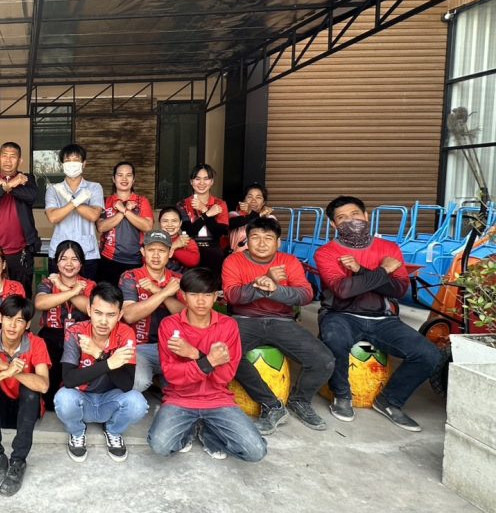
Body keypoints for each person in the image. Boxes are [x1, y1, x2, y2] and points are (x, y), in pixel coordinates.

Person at [314, 196, 442, 431]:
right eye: (342, 218)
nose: (350, 221)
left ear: (366, 216)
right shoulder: (326, 252)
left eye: (355, 214)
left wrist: (360, 271)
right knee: (334, 340)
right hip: (341, 314)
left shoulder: (389, 249)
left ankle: (390, 401)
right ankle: (342, 395)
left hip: (383, 318)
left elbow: (398, 289)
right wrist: (383, 270)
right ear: (333, 224)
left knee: (429, 354)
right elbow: (343, 290)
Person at [222, 217, 334, 433]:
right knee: (226, 354)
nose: (261, 243)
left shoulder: (289, 261)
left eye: (268, 238)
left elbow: (305, 295)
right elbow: (232, 296)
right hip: (244, 320)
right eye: (255, 237)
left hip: (282, 321)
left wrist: (275, 289)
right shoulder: (233, 261)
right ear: (247, 240)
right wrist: (263, 281)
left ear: (278, 242)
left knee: (324, 360)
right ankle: (272, 405)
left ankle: (300, 400)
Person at [146, 268, 267, 462]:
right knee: (160, 445)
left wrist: (193, 354)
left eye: (207, 295)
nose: (201, 301)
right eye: (194, 295)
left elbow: (225, 376)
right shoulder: (170, 325)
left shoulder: (228, 326)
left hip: (218, 399)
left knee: (256, 452)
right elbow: (172, 375)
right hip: (180, 399)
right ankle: (188, 431)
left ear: (216, 296)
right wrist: (210, 361)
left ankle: (208, 433)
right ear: (183, 295)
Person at [56, 283, 149, 463]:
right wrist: (109, 362)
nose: (104, 321)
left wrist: (99, 355)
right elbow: (68, 380)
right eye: (98, 313)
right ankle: (77, 432)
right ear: (89, 310)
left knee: (138, 403)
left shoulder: (126, 333)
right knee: (63, 399)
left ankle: (113, 430)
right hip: (82, 399)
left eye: (111, 315)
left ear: (120, 315)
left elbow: (127, 385)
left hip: (110, 401)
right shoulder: (75, 331)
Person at [0, 295, 50, 496]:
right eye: (8, 318)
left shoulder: (37, 343)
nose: (12, 325)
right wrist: (6, 372)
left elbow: (43, 386)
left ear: (28, 324)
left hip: (25, 412)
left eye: (19, 320)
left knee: (31, 392)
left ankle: (18, 461)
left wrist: (5, 366)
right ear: (0, 318)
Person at [119, 230, 184, 392]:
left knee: (180, 390)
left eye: (161, 250)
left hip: (172, 348)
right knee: (138, 383)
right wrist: (163, 293)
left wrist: (157, 291)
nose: (156, 255)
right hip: (138, 347)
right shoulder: (130, 277)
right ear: (143, 252)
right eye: (151, 250)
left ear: (170, 253)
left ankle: (159, 379)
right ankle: (154, 377)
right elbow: (129, 315)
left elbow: (187, 315)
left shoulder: (179, 280)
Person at [34, 239, 95, 410]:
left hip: (80, 336)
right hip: (52, 334)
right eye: (64, 259)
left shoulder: (89, 285)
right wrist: (73, 291)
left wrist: (62, 287)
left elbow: (91, 308)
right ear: (56, 262)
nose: (69, 264)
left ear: (81, 263)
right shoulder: (47, 283)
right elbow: (40, 303)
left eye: (74, 259)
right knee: (50, 392)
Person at [0, 141, 41, 293]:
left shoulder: (27, 179)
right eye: (4, 156)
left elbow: (31, 196)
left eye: (13, 156)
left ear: (20, 161)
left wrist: (4, 184)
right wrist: (9, 184)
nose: (8, 160)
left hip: (21, 251)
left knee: (21, 296)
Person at [44, 143, 104, 280]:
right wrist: (77, 201)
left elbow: (93, 215)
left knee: (88, 290)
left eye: (76, 160)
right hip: (59, 253)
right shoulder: (54, 189)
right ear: (62, 164)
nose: (72, 164)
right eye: (68, 160)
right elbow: (53, 217)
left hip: (87, 253)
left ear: (84, 164)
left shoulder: (94, 188)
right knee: (58, 290)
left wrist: (69, 200)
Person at [97, 162, 154, 285]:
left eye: (128, 175)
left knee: (131, 295)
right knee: (108, 295)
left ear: (133, 179)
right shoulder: (105, 201)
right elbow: (101, 227)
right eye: (120, 175)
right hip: (108, 259)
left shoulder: (142, 201)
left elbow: (147, 226)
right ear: (114, 179)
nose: (124, 179)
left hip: (135, 260)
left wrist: (124, 210)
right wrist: (122, 212)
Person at [177, 164, 229, 276]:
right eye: (197, 179)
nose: (201, 183)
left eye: (206, 179)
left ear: (212, 182)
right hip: (191, 250)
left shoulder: (220, 204)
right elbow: (189, 231)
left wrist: (204, 209)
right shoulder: (182, 204)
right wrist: (208, 213)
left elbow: (219, 233)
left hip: (214, 252)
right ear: (191, 182)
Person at [229, 183, 276, 253]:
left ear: (263, 202)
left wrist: (255, 214)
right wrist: (258, 215)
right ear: (244, 200)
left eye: (258, 197)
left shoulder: (270, 218)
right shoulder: (234, 215)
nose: (253, 200)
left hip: (263, 257)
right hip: (238, 257)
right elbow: (234, 223)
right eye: (249, 197)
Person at [159, 206, 201, 273]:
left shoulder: (186, 240)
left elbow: (193, 262)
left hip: (182, 278)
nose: (170, 225)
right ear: (160, 223)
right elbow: (150, 260)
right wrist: (174, 245)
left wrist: (173, 249)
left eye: (174, 221)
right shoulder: (153, 240)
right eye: (165, 221)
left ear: (180, 223)